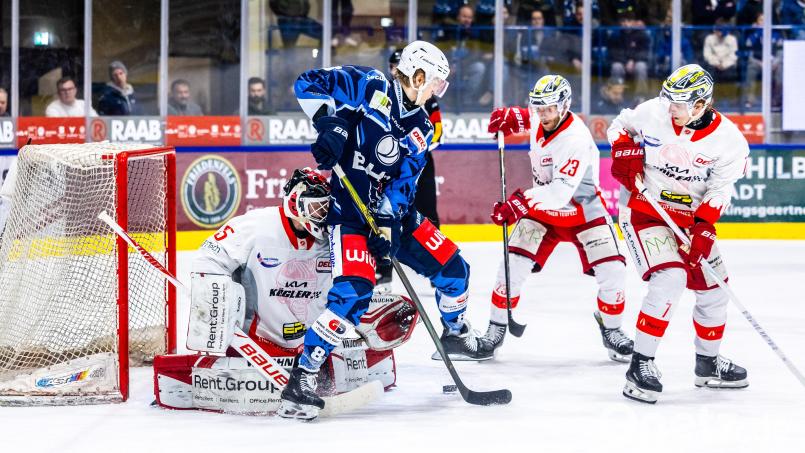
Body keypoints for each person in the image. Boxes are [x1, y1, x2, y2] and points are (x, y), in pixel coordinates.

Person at [282, 40, 493, 420]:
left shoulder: (422, 127)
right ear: (418, 75)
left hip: (389, 216)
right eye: (436, 83)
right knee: (353, 294)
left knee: (454, 268)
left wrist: (388, 225)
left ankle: (455, 333)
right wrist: (331, 125)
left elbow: (403, 184)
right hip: (348, 215)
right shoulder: (370, 85)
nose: (437, 91)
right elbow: (306, 83)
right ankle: (303, 377)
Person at [152, 168, 418, 415]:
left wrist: (380, 249)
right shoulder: (257, 225)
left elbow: (354, 279)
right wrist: (214, 299)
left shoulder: (333, 235)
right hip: (259, 341)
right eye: (316, 207)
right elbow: (208, 258)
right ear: (295, 203)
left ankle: (308, 368)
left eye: (326, 208)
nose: (322, 215)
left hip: (310, 345)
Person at [607, 64, 749, 404]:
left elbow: (720, 189)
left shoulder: (730, 141)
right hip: (644, 210)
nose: (671, 109)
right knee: (670, 277)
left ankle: (708, 364)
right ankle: (640, 363)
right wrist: (623, 147)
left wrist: (704, 227)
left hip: (690, 221)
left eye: (680, 104)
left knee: (716, 289)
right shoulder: (652, 112)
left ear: (701, 105)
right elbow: (619, 127)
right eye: (668, 100)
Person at [481, 75, 633, 363]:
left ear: (564, 106)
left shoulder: (574, 138)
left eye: (549, 108)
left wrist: (519, 203)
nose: (543, 114)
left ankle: (612, 329)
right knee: (511, 268)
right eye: (539, 108)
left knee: (613, 271)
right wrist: (510, 117)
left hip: (582, 211)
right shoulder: (541, 117)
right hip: (544, 212)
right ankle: (495, 329)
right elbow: (526, 119)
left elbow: (561, 193)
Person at [375, 49, 445, 293]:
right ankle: (383, 272)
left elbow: (437, 129)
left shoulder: (429, 97)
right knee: (383, 213)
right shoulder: (386, 92)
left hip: (419, 158)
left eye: (398, 65)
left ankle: (436, 267)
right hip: (392, 160)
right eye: (393, 66)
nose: (395, 70)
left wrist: (421, 147)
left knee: (427, 210)